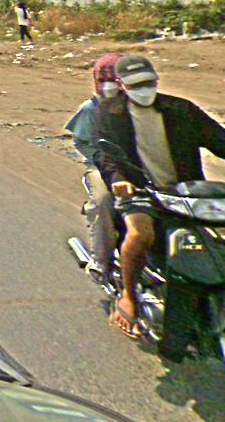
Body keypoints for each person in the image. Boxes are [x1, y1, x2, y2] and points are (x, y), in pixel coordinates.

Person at [94, 55, 225, 337]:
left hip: (186, 192)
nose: (143, 89)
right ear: (122, 85)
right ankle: (128, 297)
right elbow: (105, 155)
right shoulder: (110, 113)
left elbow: (219, 141)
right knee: (141, 234)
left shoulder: (181, 109)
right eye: (135, 85)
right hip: (141, 190)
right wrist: (119, 180)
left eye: (148, 82)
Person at [65, 53, 123, 283]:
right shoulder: (91, 108)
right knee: (104, 200)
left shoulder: (137, 107)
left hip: (137, 167)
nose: (108, 86)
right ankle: (101, 262)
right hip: (101, 167)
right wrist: (99, 160)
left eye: (114, 79)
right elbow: (81, 141)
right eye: (103, 80)